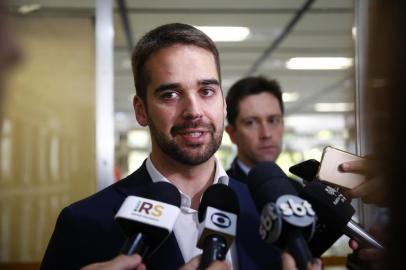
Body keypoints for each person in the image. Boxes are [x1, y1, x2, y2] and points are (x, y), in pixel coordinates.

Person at [40, 23, 284, 270]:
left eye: (207, 91)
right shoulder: (84, 222)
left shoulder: (269, 213)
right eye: (170, 95)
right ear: (141, 110)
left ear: (223, 104)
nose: (194, 111)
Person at [225, 76, 302, 190]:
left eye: (273, 120)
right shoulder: (221, 192)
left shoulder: (298, 190)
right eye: (251, 123)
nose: (266, 134)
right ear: (232, 133)